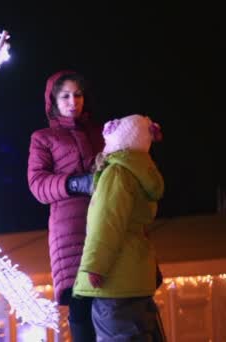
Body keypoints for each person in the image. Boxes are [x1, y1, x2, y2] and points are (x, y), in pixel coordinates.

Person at [73, 114, 165, 341]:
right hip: (138, 275)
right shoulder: (143, 173)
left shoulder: (117, 173)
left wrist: (95, 265)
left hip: (114, 278)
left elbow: (107, 222)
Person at [27, 70, 103, 340]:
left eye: (78, 95)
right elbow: (37, 184)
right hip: (69, 232)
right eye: (66, 96)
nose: (73, 101)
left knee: (110, 306)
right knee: (81, 306)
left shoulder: (100, 133)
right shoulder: (44, 138)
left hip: (104, 224)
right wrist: (75, 183)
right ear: (54, 101)